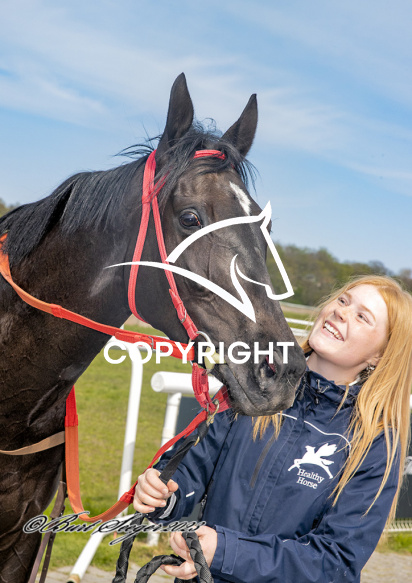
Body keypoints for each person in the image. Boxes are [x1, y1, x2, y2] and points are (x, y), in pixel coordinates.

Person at [133, 275, 412, 582]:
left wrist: (225, 553)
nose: (341, 312)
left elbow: (335, 562)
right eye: (343, 300)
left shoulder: (375, 441)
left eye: (362, 317)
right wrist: (163, 493)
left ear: (379, 355)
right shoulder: (252, 384)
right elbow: (192, 469)